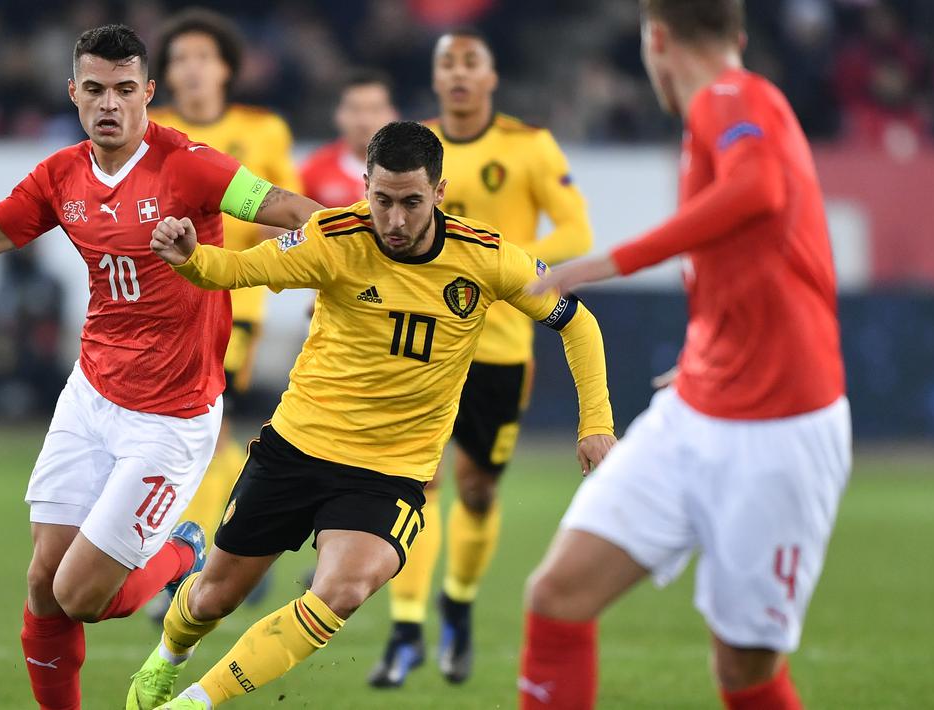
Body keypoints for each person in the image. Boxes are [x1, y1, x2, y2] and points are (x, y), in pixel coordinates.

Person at [124, 120, 615, 710]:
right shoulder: (333, 237)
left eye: (411, 202)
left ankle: (197, 703)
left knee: (343, 589)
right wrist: (190, 257)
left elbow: (578, 323)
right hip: (298, 447)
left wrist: (596, 423)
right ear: (365, 187)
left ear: (439, 192)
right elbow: (237, 269)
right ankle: (167, 657)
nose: (395, 220)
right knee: (212, 599)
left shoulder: (485, 258)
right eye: (382, 201)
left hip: (391, 472)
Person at [0, 25, 321, 710]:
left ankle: (182, 551)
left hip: (171, 417)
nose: (110, 103)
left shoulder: (190, 165)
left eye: (125, 89)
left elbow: (295, 211)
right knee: (43, 584)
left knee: (80, 595)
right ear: (74, 92)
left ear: (148, 93)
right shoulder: (60, 175)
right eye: (96, 89)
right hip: (91, 396)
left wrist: (350, 256)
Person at [518, 2, 851, 708]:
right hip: (697, 408)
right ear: (736, 35)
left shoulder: (729, 96)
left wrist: (609, 261)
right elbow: (754, 252)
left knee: (744, 669)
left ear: (657, 39)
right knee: (557, 594)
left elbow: (756, 188)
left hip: (779, 431)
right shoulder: (736, 107)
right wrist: (716, 346)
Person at [370, 28, 594, 688]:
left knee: (476, 489)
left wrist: (504, 263)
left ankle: (458, 606)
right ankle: (406, 629)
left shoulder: (528, 146)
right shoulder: (415, 152)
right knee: (416, 485)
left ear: (491, 78)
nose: (460, 74)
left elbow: (577, 229)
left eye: (472, 63)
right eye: (448, 63)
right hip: (420, 343)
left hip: (498, 347)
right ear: (435, 78)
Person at [150, 8, 304, 549]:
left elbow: (286, 212)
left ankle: (192, 553)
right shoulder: (149, 132)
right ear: (165, 75)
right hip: (158, 306)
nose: (192, 68)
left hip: (232, 304)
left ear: (226, 69)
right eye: (180, 59)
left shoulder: (263, 130)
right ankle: (231, 534)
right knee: (169, 432)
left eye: (204, 57)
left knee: (207, 425)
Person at [299, 69, 399, 207]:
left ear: (393, 114)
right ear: (338, 114)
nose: (365, 121)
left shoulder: (415, 169)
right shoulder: (313, 171)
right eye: (355, 109)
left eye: (375, 109)